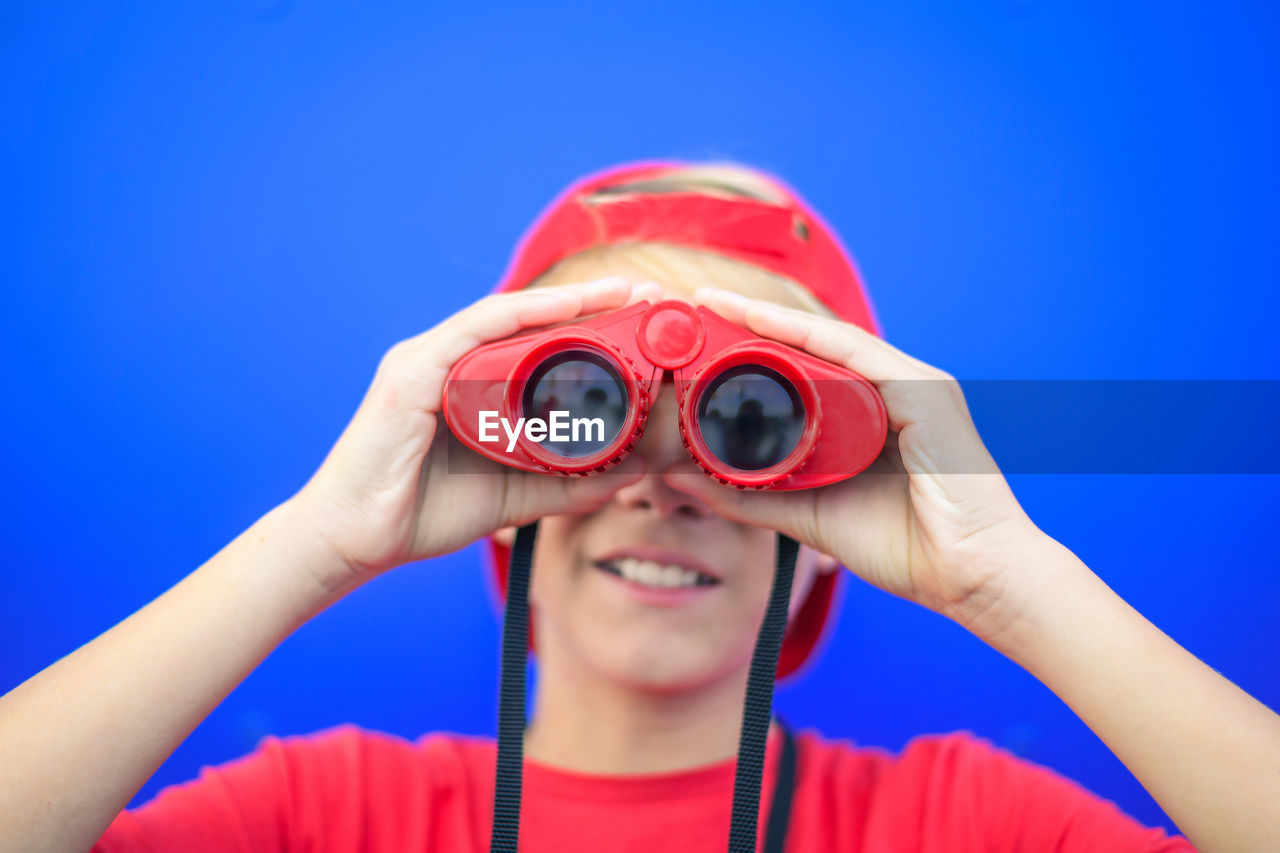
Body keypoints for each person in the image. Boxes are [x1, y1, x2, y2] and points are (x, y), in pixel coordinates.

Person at [1, 161, 1276, 853]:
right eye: (588, 416)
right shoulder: (322, 815)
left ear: (833, 519)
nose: (661, 484)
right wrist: (318, 539)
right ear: (504, 487)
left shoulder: (960, 824)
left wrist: (1009, 575)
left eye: (750, 424)